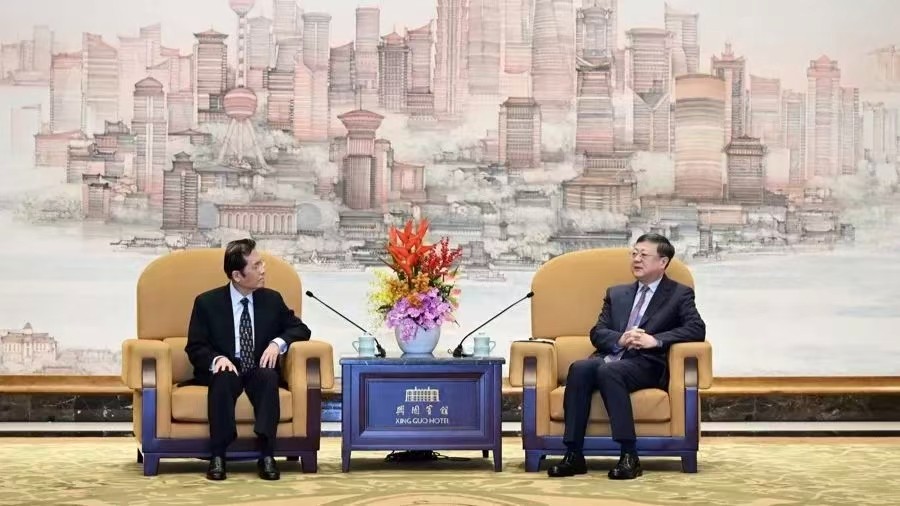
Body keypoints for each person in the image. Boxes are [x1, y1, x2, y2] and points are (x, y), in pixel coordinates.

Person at [547, 233, 706, 480]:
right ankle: (574, 454)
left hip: (647, 363)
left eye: (644, 255)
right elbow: (597, 332)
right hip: (611, 356)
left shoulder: (679, 294)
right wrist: (620, 339)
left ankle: (629, 455)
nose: (636, 259)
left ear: (663, 262)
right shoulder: (616, 293)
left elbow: (696, 329)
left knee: (608, 371)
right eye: (634, 254)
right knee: (579, 368)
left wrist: (655, 340)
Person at [185, 238, 311, 481]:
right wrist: (216, 359)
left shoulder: (272, 299)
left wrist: (277, 343)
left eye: (261, 263)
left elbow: (300, 329)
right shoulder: (207, 303)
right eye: (256, 266)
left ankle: (266, 454)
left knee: (268, 377)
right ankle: (218, 455)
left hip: (257, 367)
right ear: (237, 275)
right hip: (227, 367)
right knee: (222, 378)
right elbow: (195, 346)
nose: (263, 269)